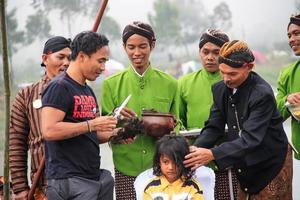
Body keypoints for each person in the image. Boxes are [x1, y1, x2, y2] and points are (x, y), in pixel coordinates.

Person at [184, 40, 292, 199]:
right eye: (222, 72)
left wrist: (212, 153)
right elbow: (214, 127)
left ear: (249, 67)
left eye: (232, 74)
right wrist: (194, 151)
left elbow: (251, 139)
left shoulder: (262, 94)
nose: (226, 79)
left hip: (271, 161)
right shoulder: (220, 89)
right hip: (244, 161)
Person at [101, 21, 178, 199]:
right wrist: (115, 115)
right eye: (131, 47)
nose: (137, 53)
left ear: (152, 45)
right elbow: (103, 127)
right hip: (126, 167)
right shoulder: (111, 85)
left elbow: (179, 123)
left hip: (162, 167)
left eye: (143, 46)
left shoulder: (170, 83)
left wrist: (167, 125)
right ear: (124, 47)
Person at [41, 31, 117, 200]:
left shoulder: (87, 90)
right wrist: (91, 124)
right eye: (100, 61)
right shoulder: (59, 87)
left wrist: (119, 133)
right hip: (69, 180)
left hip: (91, 176)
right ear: (82, 56)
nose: (103, 68)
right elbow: (49, 130)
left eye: (105, 61)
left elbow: (91, 135)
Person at [9, 36, 71, 200]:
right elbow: (16, 143)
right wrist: (20, 187)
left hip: (79, 182)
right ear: (45, 59)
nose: (66, 63)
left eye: (70, 58)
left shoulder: (80, 91)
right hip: (44, 184)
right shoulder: (26, 95)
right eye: (60, 57)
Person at [178, 29, 236, 199]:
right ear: (199, 53)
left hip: (229, 159)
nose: (210, 57)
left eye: (216, 53)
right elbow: (179, 119)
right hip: (195, 161)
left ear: (225, 53)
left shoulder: (234, 80)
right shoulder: (184, 83)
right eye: (205, 52)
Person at [143, 135, 204, 200]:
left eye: (176, 162)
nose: (171, 167)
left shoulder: (193, 187)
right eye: (166, 162)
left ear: (185, 161)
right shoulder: (150, 188)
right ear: (159, 162)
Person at [276, 13, 300, 159]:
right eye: (289, 35)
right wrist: (288, 101)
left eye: (296, 33)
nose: (291, 40)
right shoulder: (287, 74)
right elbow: (275, 113)